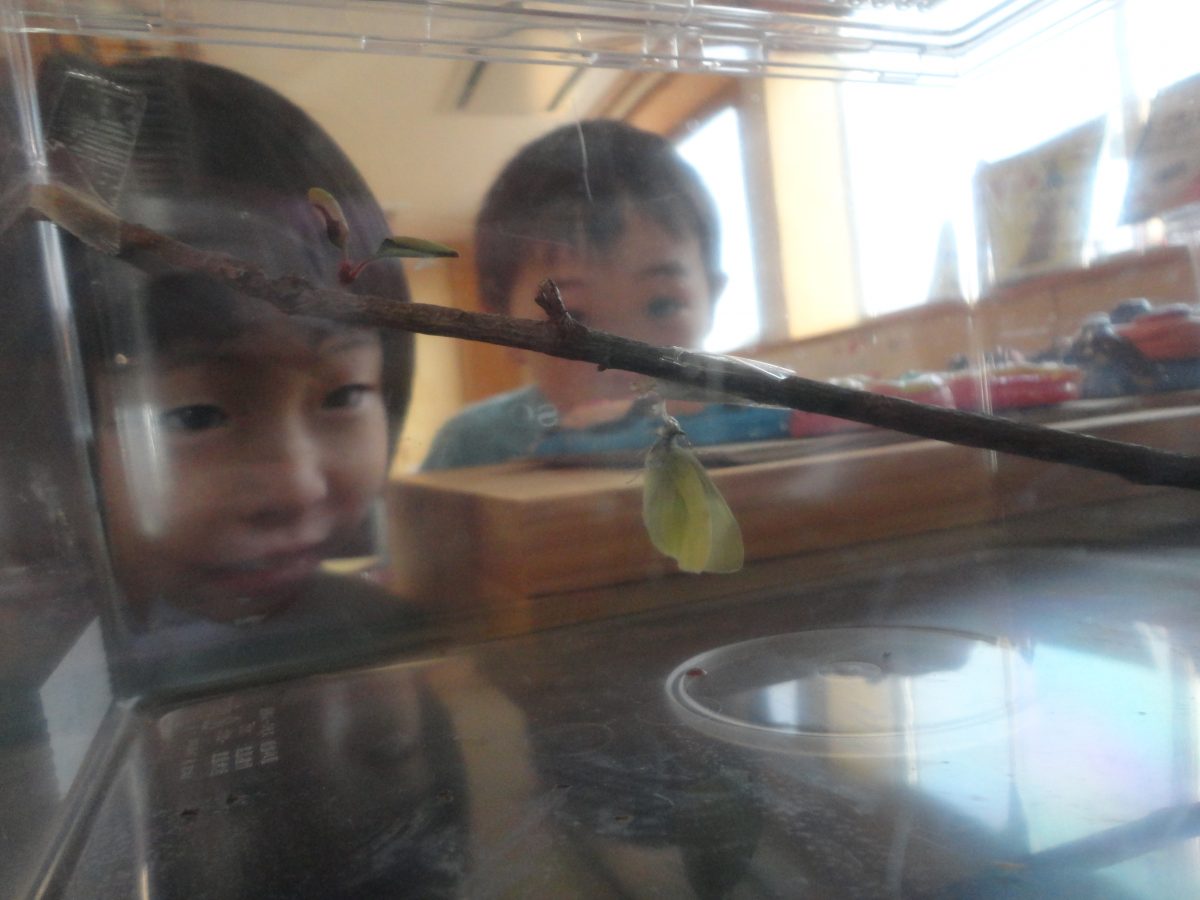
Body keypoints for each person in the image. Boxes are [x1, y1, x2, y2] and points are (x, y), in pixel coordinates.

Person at [32, 54, 428, 686]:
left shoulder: (389, 644)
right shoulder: (37, 679)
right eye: (193, 415)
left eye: (345, 395)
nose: (297, 488)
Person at [420, 119, 727, 470]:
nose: (628, 362)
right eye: (573, 318)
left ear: (712, 300)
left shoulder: (756, 423)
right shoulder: (474, 445)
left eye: (663, 306)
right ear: (503, 330)